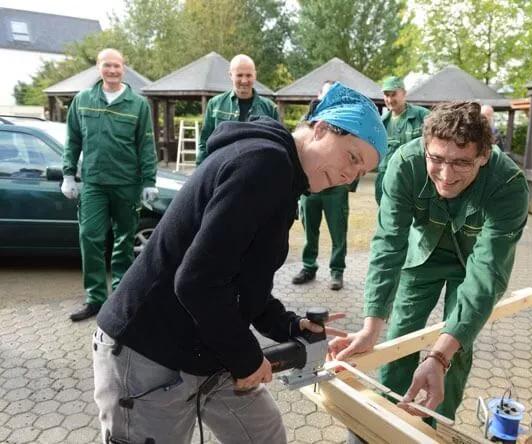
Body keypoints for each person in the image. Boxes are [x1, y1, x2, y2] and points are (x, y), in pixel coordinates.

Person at [92, 82, 387, 444]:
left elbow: (240, 279)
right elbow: (197, 281)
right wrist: (247, 358)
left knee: (263, 435)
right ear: (322, 128)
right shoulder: (264, 163)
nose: (348, 176)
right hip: (148, 350)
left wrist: (288, 325)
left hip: (207, 344)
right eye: (352, 157)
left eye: (360, 173)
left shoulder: (284, 176)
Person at [330, 102, 529, 430]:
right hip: (422, 255)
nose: (446, 175)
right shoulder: (405, 165)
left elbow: (488, 272)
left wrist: (439, 354)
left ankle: (433, 425)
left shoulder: (508, 184)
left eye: (462, 162)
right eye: (436, 159)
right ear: (424, 147)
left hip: (473, 263)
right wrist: (371, 325)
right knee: (399, 335)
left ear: (484, 155)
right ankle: (388, 421)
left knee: (457, 343)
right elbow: (388, 245)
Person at [61, 48, 158, 322]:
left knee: (124, 241)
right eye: (107, 66)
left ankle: (120, 298)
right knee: (89, 237)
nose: (112, 70)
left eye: (117, 66)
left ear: (123, 69)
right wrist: (68, 174)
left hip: (127, 183)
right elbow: (73, 140)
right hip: (93, 183)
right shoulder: (83, 100)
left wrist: (149, 181)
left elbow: (145, 146)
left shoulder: (137, 104)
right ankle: (94, 299)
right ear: (99, 67)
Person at [292, 80, 354, 290]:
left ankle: (337, 271)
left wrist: (348, 185)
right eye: (324, 95)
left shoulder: (347, 123)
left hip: (335, 191)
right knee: (309, 230)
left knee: (338, 232)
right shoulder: (307, 120)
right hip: (309, 190)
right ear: (319, 95)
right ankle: (309, 267)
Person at [196, 54, 279, 165]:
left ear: (255, 76)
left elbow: (278, 146)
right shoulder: (215, 105)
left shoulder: (270, 108)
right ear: (231, 75)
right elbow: (204, 144)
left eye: (248, 75)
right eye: (239, 75)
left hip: (257, 171)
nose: (244, 80)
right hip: (221, 170)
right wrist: (200, 173)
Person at [375, 76, 429, 205]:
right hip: (387, 178)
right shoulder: (381, 124)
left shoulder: (421, 116)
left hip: (415, 178)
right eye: (386, 95)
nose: (389, 99)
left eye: (393, 94)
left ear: (404, 94)